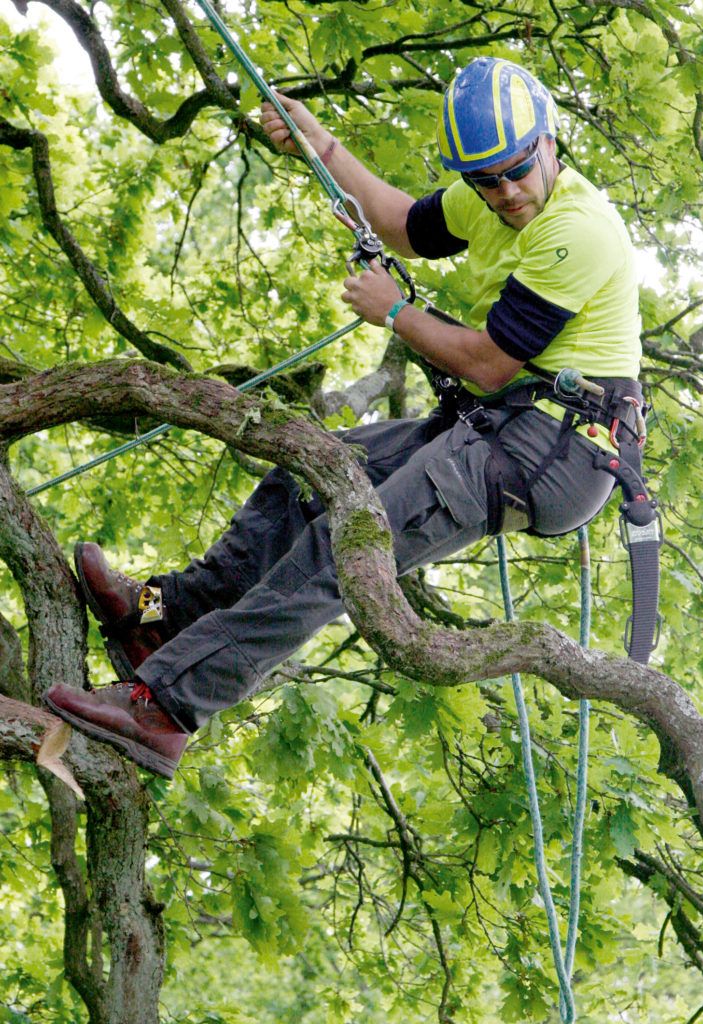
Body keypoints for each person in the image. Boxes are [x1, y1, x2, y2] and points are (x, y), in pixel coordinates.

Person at [44, 57, 644, 779]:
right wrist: (320, 144)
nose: (506, 192)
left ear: (550, 141)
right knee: (309, 473)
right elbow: (404, 225)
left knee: (341, 546)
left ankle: (166, 709)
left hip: (551, 452)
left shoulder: (579, 229)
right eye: (487, 180)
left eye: (517, 170)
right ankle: (165, 618)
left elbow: (486, 363)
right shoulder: (485, 198)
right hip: (497, 424)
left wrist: (393, 311)